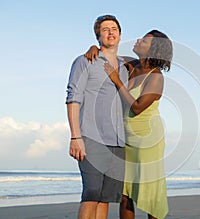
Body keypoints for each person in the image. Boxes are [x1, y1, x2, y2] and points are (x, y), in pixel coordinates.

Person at [85, 30, 173, 219]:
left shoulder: (156, 76)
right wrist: (94, 47)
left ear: (154, 49)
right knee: (125, 193)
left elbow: (138, 107)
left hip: (147, 141)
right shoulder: (130, 64)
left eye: (145, 40)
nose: (138, 40)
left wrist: (117, 82)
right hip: (125, 138)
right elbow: (107, 56)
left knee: (151, 194)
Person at [66, 15, 128, 219]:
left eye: (114, 28)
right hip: (91, 138)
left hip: (118, 141)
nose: (110, 32)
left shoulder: (125, 68)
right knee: (91, 194)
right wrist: (76, 137)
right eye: (105, 29)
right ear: (98, 36)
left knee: (105, 198)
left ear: (120, 34)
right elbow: (73, 98)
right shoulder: (86, 61)